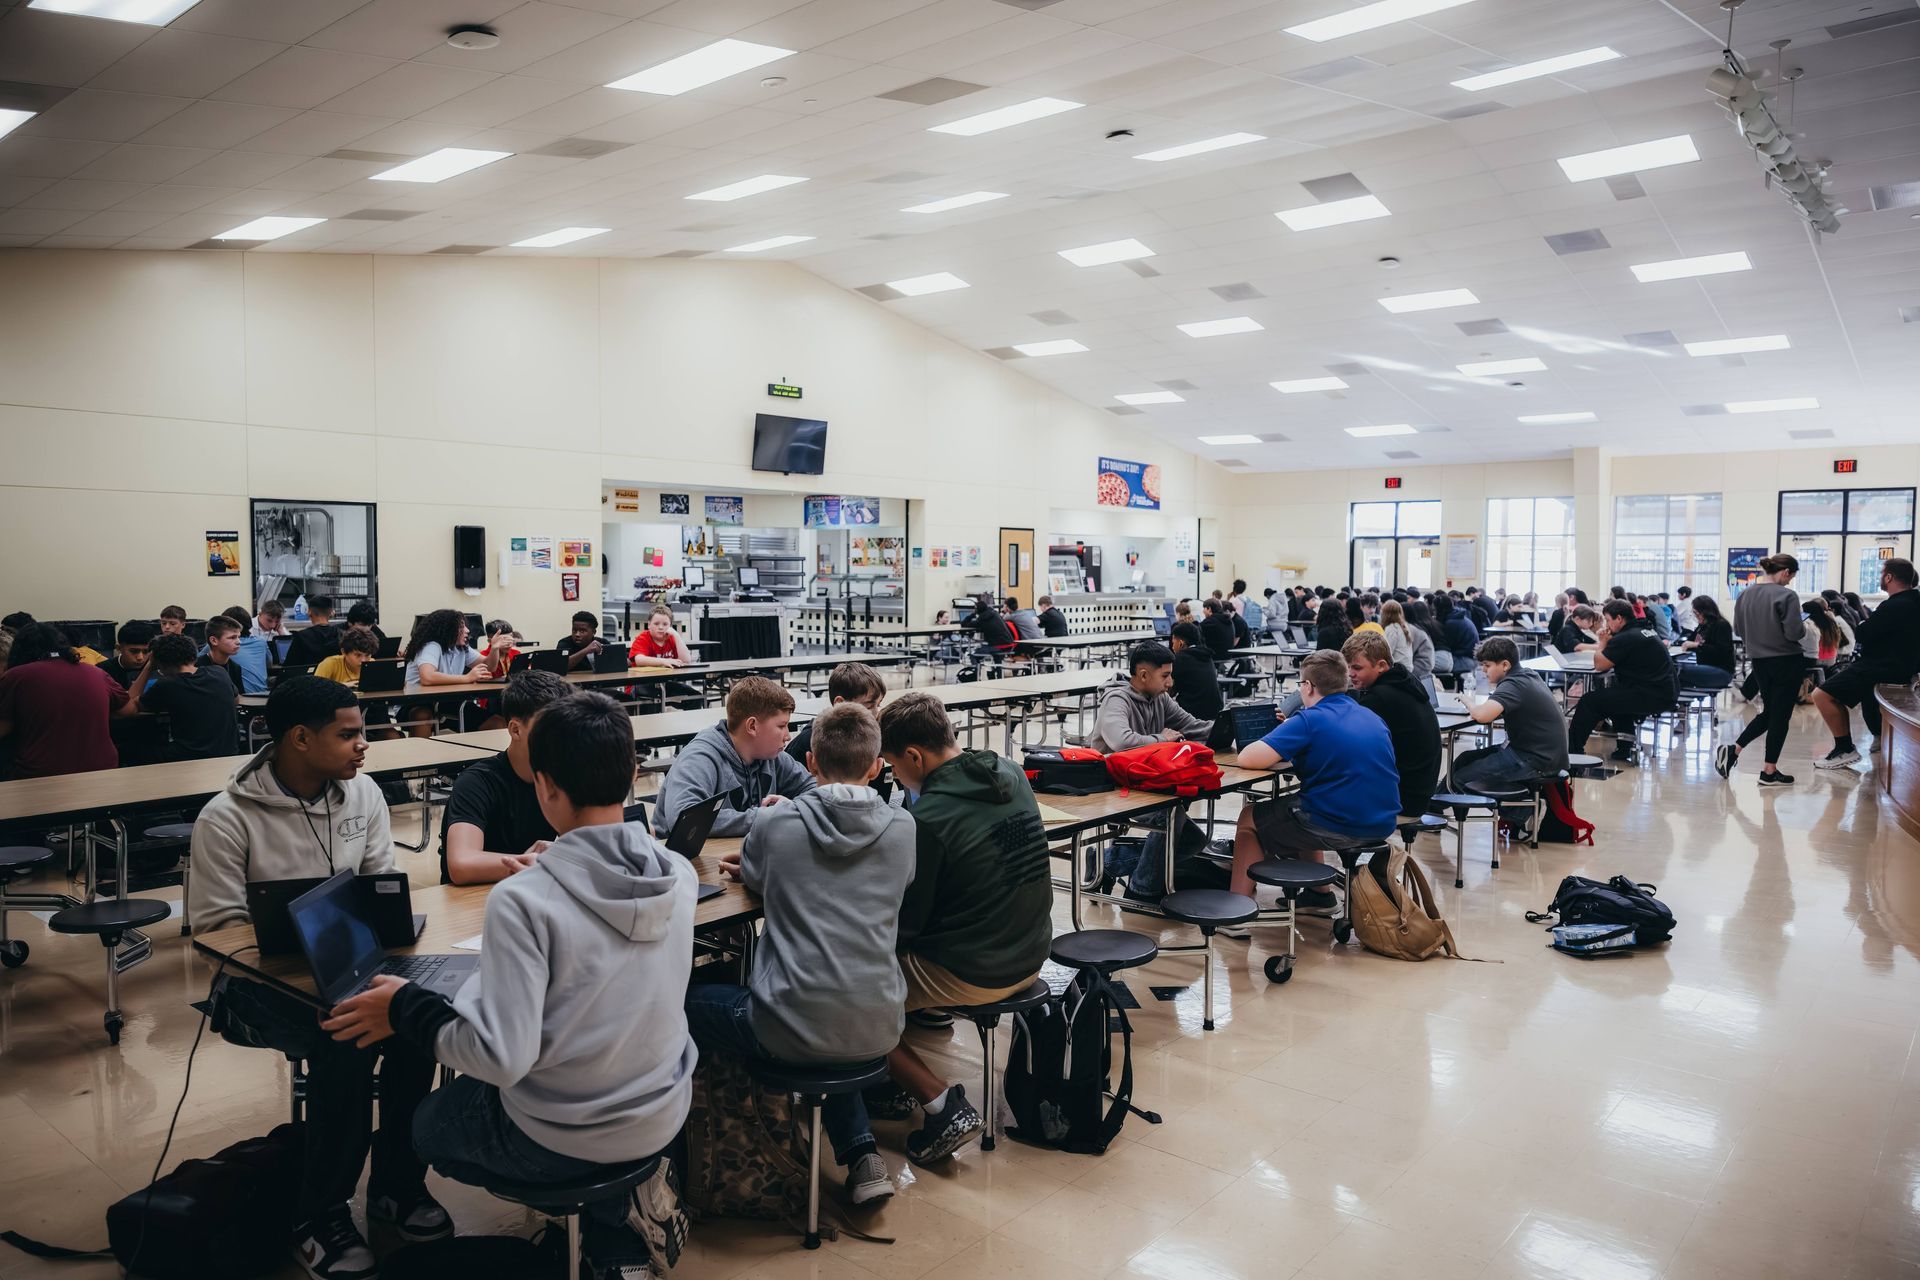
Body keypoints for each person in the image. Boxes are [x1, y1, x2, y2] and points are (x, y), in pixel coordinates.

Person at [323, 692, 693, 1280]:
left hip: (570, 1133)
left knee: (430, 1124)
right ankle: (610, 1233)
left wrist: (406, 1007)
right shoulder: (678, 872)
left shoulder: (523, 899)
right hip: (665, 1111)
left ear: (545, 787)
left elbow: (500, 1057)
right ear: (633, 773)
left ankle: (575, 1229)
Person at [190, 677, 441, 1279]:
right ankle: (319, 1212)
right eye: (348, 734)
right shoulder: (226, 819)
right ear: (300, 739)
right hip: (255, 986)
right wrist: (307, 963)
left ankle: (397, 1184)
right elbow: (218, 937)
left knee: (417, 1016)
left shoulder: (364, 795)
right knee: (348, 1036)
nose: (364, 746)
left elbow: (383, 884)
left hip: (355, 966)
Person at [691, 703, 915, 1206]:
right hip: (881, 1023)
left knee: (684, 1002)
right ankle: (862, 1155)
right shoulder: (903, 828)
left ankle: (681, 1160)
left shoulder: (774, 824)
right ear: (877, 765)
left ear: (810, 763)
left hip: (786, 1023)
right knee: (829, 1012)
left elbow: (758, 876)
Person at [876, 693, 1052, 1164]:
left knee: (849, 995)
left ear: (914, 756)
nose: (895, 776)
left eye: (893, 765)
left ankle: (939, 1104)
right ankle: (881, 1082)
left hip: (979, 969)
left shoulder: (928, 819)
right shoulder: (1009, 772)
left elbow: (907, 923)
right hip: (1033, 949)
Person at [1229, 649, 1399, 904]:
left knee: (1249, 818)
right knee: (1300, 805)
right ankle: (1319, 896)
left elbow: (1247, 758)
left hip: (1338, 823)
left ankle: (1236, 909)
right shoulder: (1371, 716)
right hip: (1382, 821)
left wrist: (1285, 730)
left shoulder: (1308, 721)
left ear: (1308, 686)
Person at [439, 671, 573, 884]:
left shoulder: (566, 776)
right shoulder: (476, 782)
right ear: (515, 730)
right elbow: (461, 864)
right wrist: (537, 862)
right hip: (473, 900)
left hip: (531, 890)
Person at [654, 675, 816, 839]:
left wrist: (791, 807)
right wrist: (767, 817)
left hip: (737, 855)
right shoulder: (699, 758)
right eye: (781, 726)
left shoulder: (772, 756)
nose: (788, 736)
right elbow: (686, 819)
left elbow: (817, 791)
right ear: (752, 726)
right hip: (681, 861)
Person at [1813, 557, 1920, 769]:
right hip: (1902, 666)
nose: (1881, 577)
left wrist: (1865, 625)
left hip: (1880, 666)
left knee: (1822, 695)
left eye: (1882, 573)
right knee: (1866, 700)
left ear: (1889, 577)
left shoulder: (1895, 605)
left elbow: (1863, 633)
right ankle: (1872, 738)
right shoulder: (1914, 602)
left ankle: (1844, 748)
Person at [0, 621, 134, 778]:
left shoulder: (15, 677)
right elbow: (129, 709)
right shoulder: (96, 673)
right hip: (103, 770)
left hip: (39, 776)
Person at [1720, 554, 1807, 786]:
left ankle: (1735, 750)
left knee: (1770, 712)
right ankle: (1769, 771)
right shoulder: (1787, 596)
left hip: (1759, 661)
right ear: (1786, 571)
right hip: (1786, 660)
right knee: (1780, 716)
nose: (1789, 582)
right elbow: (1794, 633)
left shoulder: (1744, 594)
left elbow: (1738, 629)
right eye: (1791, 577)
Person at [1453, 636, 1569, 793]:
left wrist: (1466, 700)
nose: (1484, 670)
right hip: (1544, 755)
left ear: (1505, 665)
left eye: (1487, 665)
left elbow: (1482, 716)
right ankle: (1432, 805)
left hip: (1535, 761)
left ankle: (1433, 808)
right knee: (1464, 759)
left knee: (1460, 778)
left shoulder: (1513, 684)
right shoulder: (1527, 675)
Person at [1343, 632, 1439, 819]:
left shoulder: (1380, 698)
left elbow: (1344, 739)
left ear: (1381, 666)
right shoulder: (1405, 683)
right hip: (1418, 794)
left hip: (1399, 800)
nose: (1350, 674)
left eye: (1357, 668)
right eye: (1347, 667)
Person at [1568, 600, 1677, 763]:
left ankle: (1573, 751)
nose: (1606, 624)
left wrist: (1603, 642)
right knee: (1616, 696)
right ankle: (1624, 746)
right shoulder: (1645, 630)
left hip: (1650, 695)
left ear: (1619, 618)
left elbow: (1599, 665)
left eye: (1608, 620)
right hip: (1666, 691)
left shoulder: (1627, 637)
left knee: (1589, 701)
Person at [125, 632, 240, 761]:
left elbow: (129, 705)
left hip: (189, 758)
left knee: (131, 750)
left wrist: (148, 666)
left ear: (159, 663)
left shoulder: (167, 684)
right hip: (229, 754)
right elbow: (236, 700)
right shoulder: (219, 672)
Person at [1090, 642, 1213, 753]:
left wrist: (1224, 728)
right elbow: (1122, 742)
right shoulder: (1116, 700)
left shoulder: (1160, 697)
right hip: (1111, 775)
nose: (1170, 683)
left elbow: (1191, 726)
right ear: (1144, 675)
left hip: (1143, 771)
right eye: (1165, 676)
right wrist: (1162, 739)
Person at [400, 608, 494, 735]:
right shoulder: (432, 646)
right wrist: (467, 678)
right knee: (422, 715)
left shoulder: (462, 648)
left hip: (446, 701)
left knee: (495, 722)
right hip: (416, 701)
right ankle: (421, 753)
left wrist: (495, 649)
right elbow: (427, 677)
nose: (467, 630)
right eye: (462, 627)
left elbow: (489, 666)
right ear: (448, 630)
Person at [786, 661, 885, 766]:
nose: (876, 713)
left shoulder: (872, 737)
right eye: (868, 707)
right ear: (840, 704)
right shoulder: (807, 744)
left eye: (878, 705)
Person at [1168, 621, 1225, 729]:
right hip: (1215, 711)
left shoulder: (1180, 659)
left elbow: (1167, 687)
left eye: (1173, 642)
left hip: (1193, 713)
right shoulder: (1206, 655)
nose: (1172, 646)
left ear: (1180, 643)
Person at [1377, 599, 1436, 703]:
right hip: (1408, 667)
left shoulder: (1391, 628)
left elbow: (1387, 651)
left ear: (1385, 614)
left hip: (1399, 669)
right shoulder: (1404, 627)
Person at [1678, 595, 1735, 691]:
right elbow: (1689, 642)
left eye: (1697, 613)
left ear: (1706, 612)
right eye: (1694, 613)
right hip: (1707, 667)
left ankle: (1677, 703)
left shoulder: (1721, 625)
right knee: (1675, 672)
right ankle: (1681, 702)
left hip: (1722, 671)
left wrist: (1697, 645)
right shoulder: (1702, 626)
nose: (1696, 616)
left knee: (1679, 672)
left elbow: (1720, 651)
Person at [96, 619, 156, 691]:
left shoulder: (160, 668)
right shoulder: (103, 671)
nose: (140, 657)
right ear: (119, 648)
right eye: (134, 651)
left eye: (146, 651)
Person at [627, 603, 694, 667]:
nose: (661, 627)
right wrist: (664, 661)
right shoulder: (643, 638)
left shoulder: (672, 638)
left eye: (665, 624)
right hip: (646, 677)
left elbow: (686, 660)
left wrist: (677, 636)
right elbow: (639, 660)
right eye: (656, 624)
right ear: (649, 625)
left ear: (670, 626)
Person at [286, 595, 342, 668]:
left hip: (309, 678)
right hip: (335, 678)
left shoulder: (301, 637)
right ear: (331, 613)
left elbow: (289, 667)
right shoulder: (341, 635)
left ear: (309, 612)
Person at [199, 613, 248, 696]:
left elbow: (241, 699)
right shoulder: (197, 667)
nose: (239, 642)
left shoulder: (236, 668)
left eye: (238, 637)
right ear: (214, 640)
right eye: (232, 637)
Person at [962, 592, 1016, 664]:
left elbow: (964, 624)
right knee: (996, 655)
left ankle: (976, 674)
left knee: (974, 655)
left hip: (999, 646)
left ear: (977, 610)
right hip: (1009, 644)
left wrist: (973, 614)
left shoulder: (982, 620)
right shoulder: (995, 613)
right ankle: (997, 673)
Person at [1434, 593, 1479, 680]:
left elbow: (1447, 646)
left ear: (1439, 609)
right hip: (1470, 658)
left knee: (1429, 664)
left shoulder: (1451, 623)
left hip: (1465, 660)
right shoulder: (1458, 616)